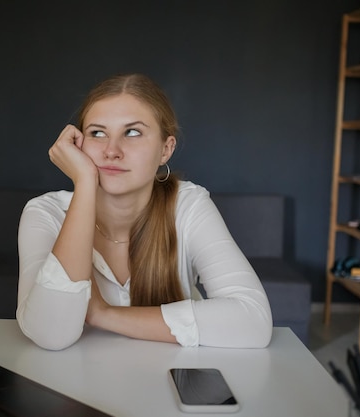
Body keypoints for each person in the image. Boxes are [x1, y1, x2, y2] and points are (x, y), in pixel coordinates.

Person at [16, 73, 272, 350]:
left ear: (166, 149)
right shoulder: (45, 213)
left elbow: (253, 322)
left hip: (173, 381)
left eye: (133, 132)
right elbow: (50, 335)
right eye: (97, 133)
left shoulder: (188, 205)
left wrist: (104, 314)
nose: (111, 151)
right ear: (79, 144)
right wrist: (85, 184)